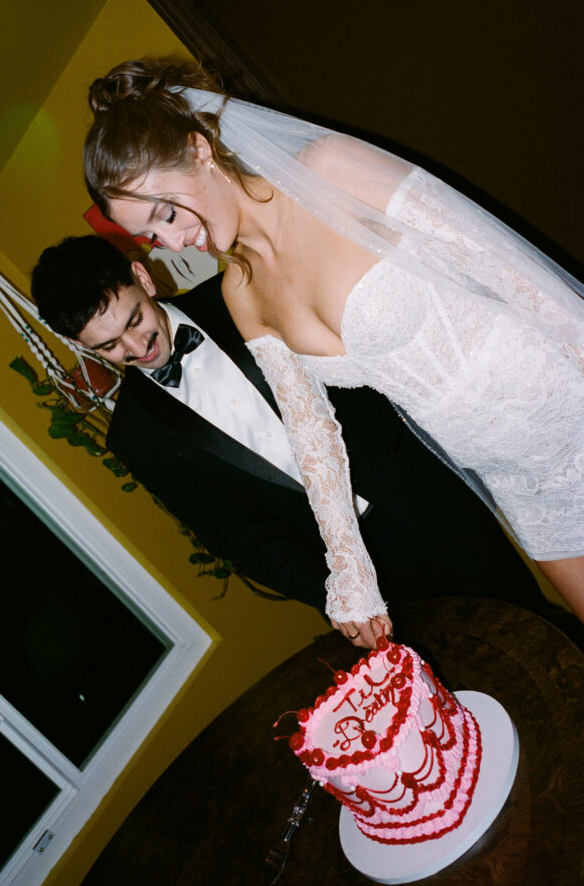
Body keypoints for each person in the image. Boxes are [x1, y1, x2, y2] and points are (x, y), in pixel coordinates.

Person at [81, 59, 584, 646]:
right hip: (509, 478)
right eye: (150, 236)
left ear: (200, 150)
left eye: (166, 213)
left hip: (563, 403)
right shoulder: (242, 293)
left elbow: (509, 272)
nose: (170, 242)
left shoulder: (329, 170)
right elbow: (313, 435)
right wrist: (349, 569)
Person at [31, 235, 552, 647]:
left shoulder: (241, 293)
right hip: (365, 583)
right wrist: (335, 595)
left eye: (135, 320)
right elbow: (234, 534)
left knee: (538, 627)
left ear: (142, 277)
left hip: (426, 500)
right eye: (109, 346)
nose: (137, 347)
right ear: (78, 343)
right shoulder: (135, 436)